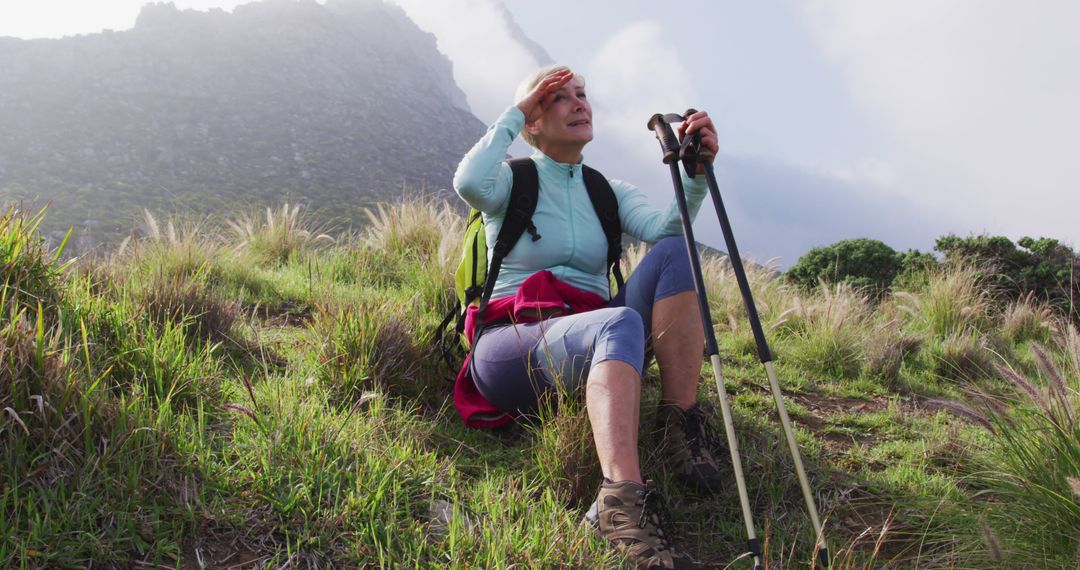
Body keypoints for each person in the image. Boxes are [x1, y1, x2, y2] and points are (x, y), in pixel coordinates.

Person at [453, 64, 721, 570]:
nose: (580, 103)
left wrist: (695, 174)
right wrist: (517, 111)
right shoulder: (510, 181)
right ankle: (618, 506)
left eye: (582, 95)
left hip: (595, 338)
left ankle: (678, 426)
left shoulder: (607, 190)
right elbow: (468, 180)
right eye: (560, 99)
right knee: (617, 323)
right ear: (534, 118)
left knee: (677, 252)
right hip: (511, 345)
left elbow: (665, 229)